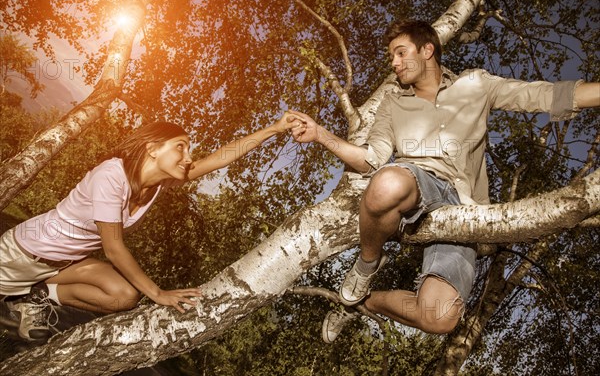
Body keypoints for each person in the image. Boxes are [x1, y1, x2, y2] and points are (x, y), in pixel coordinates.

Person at [289, 20, 600, 342]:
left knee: (439, 318)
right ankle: (368, 264)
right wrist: (320, 135)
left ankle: (360, 304)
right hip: (417, 183)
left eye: (400, 52)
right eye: (391, 57)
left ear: (427, 50)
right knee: (386, 184)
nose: (394, 63)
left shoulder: (476, 85)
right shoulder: (393, 104)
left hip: (463, 205)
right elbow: (371, 159)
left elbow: (545, 95)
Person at [0, 113, 304, 342]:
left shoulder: (157, 183)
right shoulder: (111, 175)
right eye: (180, 147)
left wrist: (274, 129)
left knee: (123, 296)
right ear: (152, 148)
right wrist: (158, 293)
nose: (188, 157)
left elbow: (219, 159)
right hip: (20, 257)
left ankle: (35, 296)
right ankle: (20, 292)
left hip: (61, 265)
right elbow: (113, 248)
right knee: (137, 290)